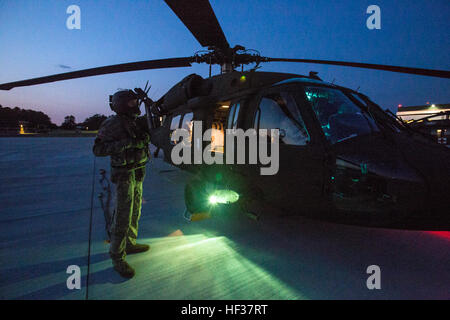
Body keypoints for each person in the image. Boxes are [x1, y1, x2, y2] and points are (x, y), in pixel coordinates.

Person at [93, 89, 151, 278]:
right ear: (121, 104)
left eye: (136, 102)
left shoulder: (134, 123)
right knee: (123, 215)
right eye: (132, 103)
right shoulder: (111, 124)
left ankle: (130, 243)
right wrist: (126, 144)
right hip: (124, 174)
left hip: (138, 171)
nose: (136, 106)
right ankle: (117, 256)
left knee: (135, 211)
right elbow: (98, 149)